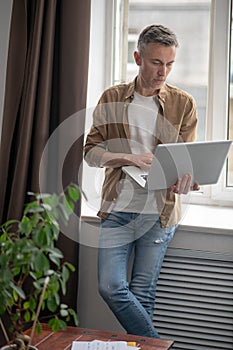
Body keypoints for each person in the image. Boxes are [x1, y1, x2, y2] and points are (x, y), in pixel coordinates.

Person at [84, 24, 199, 338]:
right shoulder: (112, 97)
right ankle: (160, 346)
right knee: (110, 287)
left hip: (159, 213)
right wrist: (128, 158)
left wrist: (186, 179)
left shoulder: (183, 103)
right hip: (118, 208)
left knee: (143, 292)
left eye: (170, 64)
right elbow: (91, 152)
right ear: (138, 57)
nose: (164, 71)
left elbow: (185, 160)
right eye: (156, 62)